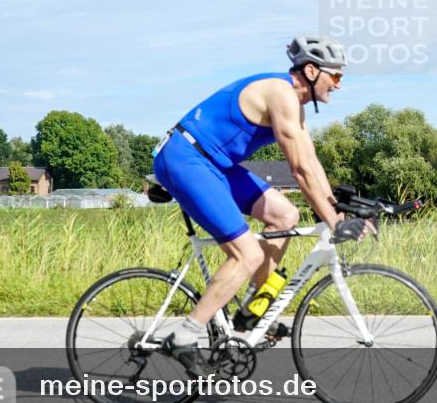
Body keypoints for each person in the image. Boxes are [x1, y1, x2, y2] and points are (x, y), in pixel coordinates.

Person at [152, 35, 373, 376]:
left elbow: (311, 162)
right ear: (312, 71)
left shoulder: (294, 106)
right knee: (248, 254)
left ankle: (251, 310)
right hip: (188, 159)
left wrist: (336, 210)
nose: (339, 85)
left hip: (215, 165)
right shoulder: (280, 93)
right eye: (337, 76)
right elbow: (298, 170)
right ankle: (185, 335)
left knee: (286, 214)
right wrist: (332, 222)